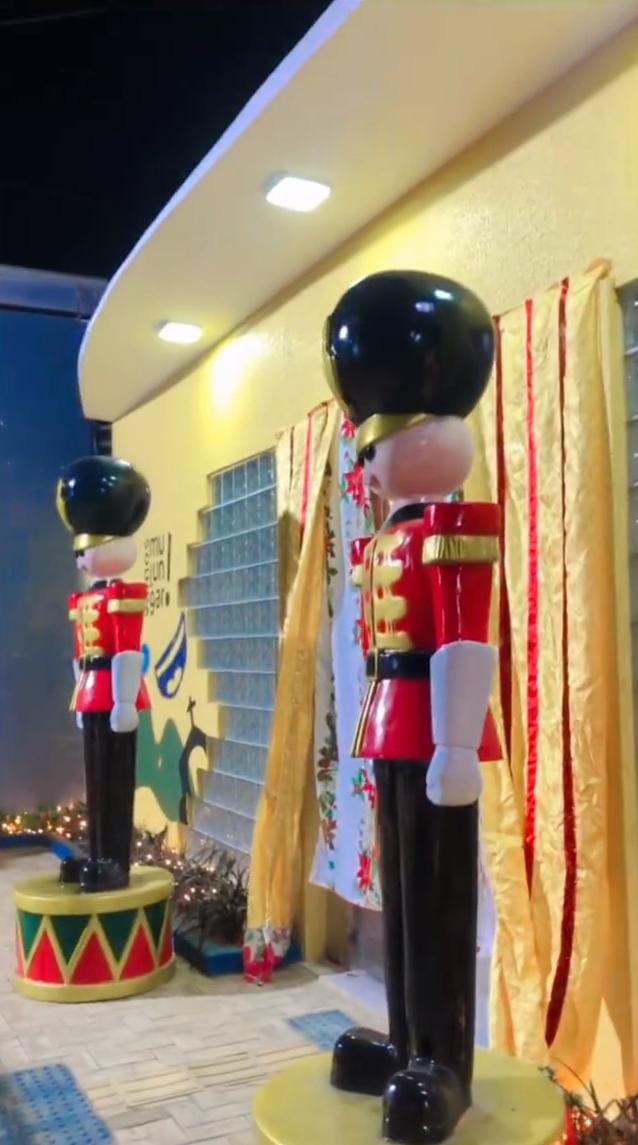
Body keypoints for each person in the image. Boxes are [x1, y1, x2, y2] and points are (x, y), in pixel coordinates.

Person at [324, 270, 500, 1143]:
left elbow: (466, 636)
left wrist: (458, 744)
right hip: (394, 719)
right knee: (401, 886)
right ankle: (405, 1041)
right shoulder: (388, 536)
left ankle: (446, 1059)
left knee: (438, 891)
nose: (367, 464)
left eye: (378, 442)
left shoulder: (455, 528)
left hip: (436, 726)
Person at [56, 456, 151, 893]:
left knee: (116, 776)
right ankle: (96, 851)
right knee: (95, 774)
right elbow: (82, 651)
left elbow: (128, 648)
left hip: (115, 692)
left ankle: (115, 859)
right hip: (93, 691)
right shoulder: (85, 598)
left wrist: (126, 701)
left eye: (90, 546)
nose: (82, 556)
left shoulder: (123, 594)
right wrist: (80, 694)